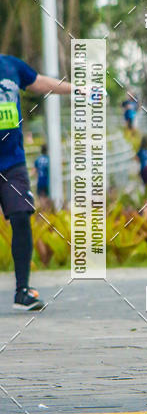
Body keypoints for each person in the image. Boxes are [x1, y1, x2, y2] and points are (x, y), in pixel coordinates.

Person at [0, 55, 72, 310]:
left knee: (21, 216)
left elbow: (41, 82)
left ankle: (22, 291)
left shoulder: (10, 65)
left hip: (12, 161)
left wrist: (76, 89)